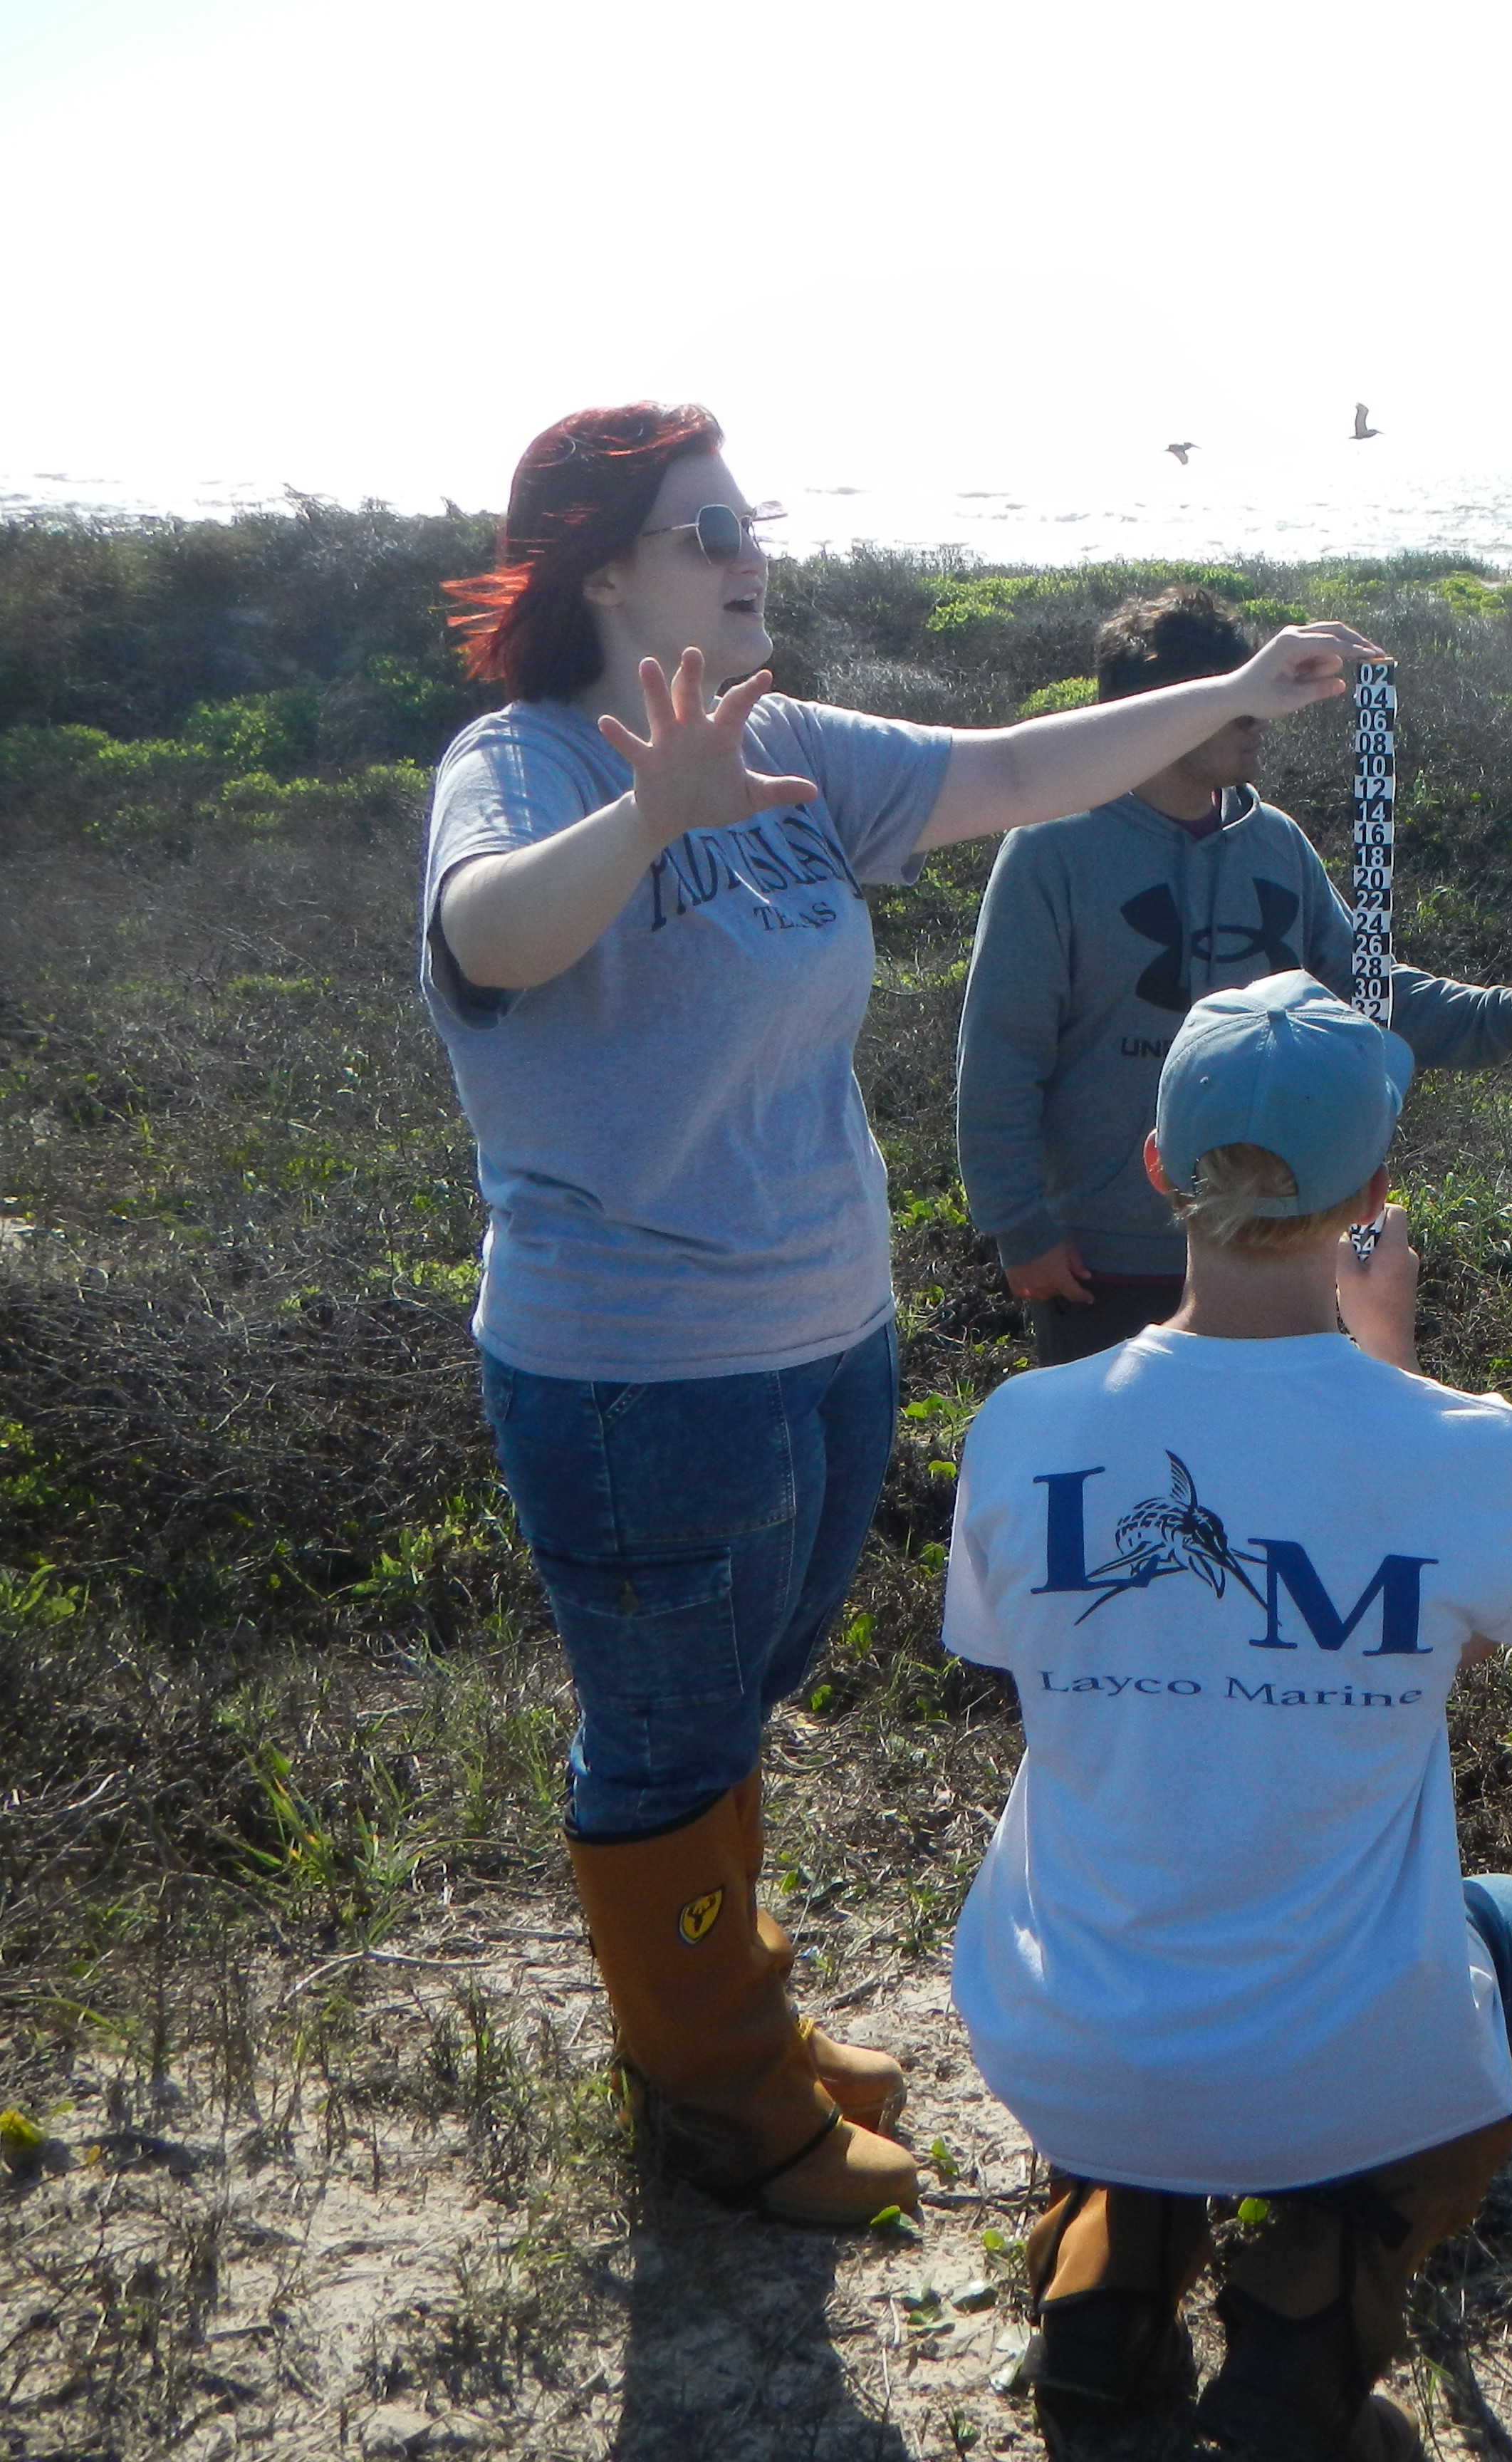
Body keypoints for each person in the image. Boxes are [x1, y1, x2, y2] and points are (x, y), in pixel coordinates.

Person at [421, 402, 1382, 2230]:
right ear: (605, 566)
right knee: (662, 1730)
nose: (749, 548)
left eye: (746, 519)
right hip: (636, 1362)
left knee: (741, 1695)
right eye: (707, 529)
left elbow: (1019, 767)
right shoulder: (525, 758)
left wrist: (1243, 681)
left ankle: (738, 2021)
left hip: (819, 1329)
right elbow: (490, 939)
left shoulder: (783, 743)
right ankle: (716, 2096)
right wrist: (647, 812)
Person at [939, 972, 1512, 2462]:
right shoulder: (1466, 1446)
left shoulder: (1020, 1431)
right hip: (1348, 2052)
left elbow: (1010, 1651)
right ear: (1373, 1189)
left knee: (1147, 1926)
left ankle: (1105, 2286)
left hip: (1074, 2035)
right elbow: (1500, 1638)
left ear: (1158, 1169)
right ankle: (1303, 2345)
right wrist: (1389, 1356)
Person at [956, 585, 1512, 1365]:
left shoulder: (1273, 840)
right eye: (1237, 701)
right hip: (1101, 1260)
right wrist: (1021, 1229)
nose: (1261, 721)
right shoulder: (1050, 849)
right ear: (1163, 709)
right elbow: (1001, 1053)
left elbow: (1362, 991)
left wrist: (1510, 1012)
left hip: (1271, 1247)